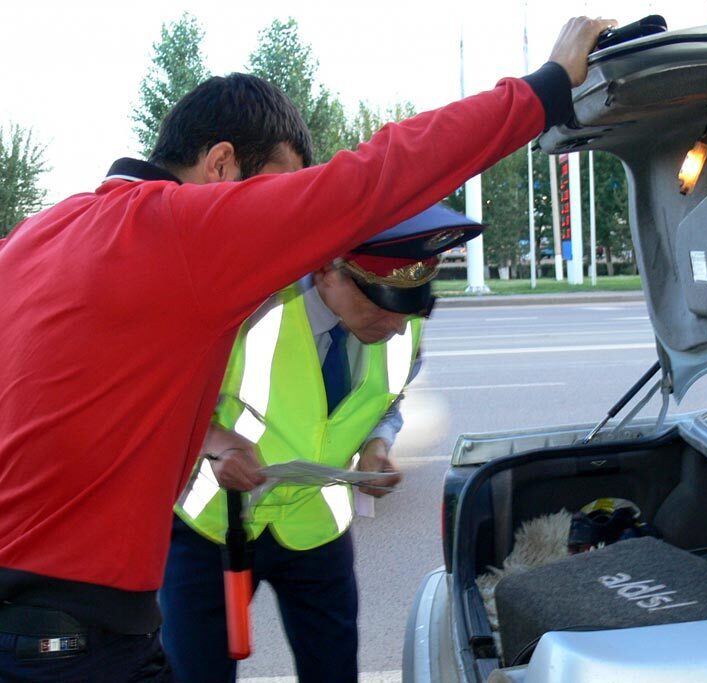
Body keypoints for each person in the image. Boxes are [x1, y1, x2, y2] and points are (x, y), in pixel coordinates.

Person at [0, 17, 615, 680]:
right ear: (222, 164)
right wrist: (544, 89)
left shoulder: (41, 232)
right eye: (278, 189)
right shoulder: (186, 233)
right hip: (73, 632)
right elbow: (375, 177)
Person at [160, 207, 478, 682]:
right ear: (328, 268)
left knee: (332, 671)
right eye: (379, 304)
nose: (394, 326)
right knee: (195, 674)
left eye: (408, 307)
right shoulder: (247, 307)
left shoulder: (401, 324)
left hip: (315, 529)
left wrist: (377, 443)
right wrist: (218, 442)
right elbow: (165, 396)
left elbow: (392, 398)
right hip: (212, 525)